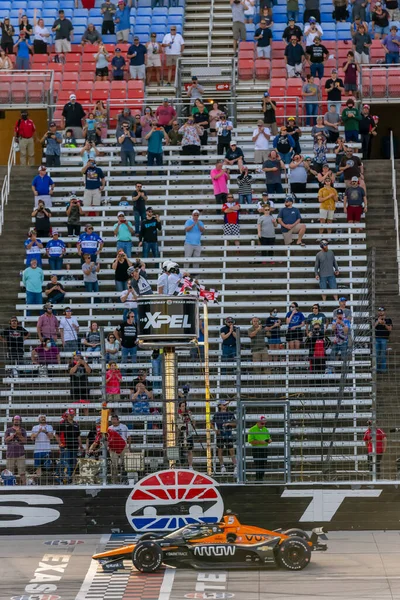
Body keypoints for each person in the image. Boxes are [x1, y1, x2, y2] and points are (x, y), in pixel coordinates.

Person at [55, 408, 84, 482]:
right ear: (67, 415)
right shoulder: (63, 423)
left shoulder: (76, 424)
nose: (72, 416)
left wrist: (80, 445)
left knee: (73, 463)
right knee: (66, 463)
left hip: (74, 446)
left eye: (73, 414)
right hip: (66, 446)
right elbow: (57, 435)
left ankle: (69, 478)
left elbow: (78, 436)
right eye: (71, 414)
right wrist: (60, 444)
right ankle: (65, 478)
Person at [212, 402, 237, 474]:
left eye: (226, 405)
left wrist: (229, 424)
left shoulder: (230, 413)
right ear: (219, 406)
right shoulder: (216, 414)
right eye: (224, 405)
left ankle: (235, 465)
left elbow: (235, 423)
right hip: (220, 435)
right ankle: (222, 466)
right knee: (220, 450)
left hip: (228, 434)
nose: (225, 406)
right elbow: (212, 423)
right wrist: (215, 430)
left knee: (231, 450)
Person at [248, 416, 271, 482]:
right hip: (257, 449)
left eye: (264, 423)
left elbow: (268, 437)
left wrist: (269, 440)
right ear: (258, 422)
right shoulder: (252, 429)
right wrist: (260, 442)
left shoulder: (265, 429)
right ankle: (258, 478)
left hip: (264, 449)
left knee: (263, 463)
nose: (263, 424)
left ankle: (261, 478)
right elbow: (250, 441)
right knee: (258, 463)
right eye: (262, 423)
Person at [5, 415, 27, 485]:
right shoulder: (8, 430)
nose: (16, 421)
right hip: (10, 454)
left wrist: (19, 435)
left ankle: (24, 487)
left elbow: (25, 441)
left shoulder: (23, 430)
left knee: (22, 472)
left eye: (18, 419)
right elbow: (6, 441)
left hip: (20, 454)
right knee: (9, 472)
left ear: (20, 421)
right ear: (13, 421)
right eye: (15, 419)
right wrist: (14, 435)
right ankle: (9, 486)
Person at [108, 414, 131, 482]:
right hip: (113, 448)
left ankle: (125, 479)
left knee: (126, 463)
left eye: (115, 419)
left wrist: (129, 446)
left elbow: (129, 436)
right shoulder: (109, 428)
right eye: (112, 420)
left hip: (123, 446)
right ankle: (114, 480)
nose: (113, 421)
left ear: (118, 420)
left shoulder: (124, 427)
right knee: (114, 464)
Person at [184, 209, 205, 274]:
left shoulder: (200, 222)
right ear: (192, 215)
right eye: (194, 215)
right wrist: (193, 224)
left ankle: (195, 272)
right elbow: (187, 229)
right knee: (187, 258)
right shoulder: (188, 221)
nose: (196, 216)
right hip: (189, 243)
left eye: (197, 215)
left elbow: (202, 230)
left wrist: (197, 223)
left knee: (196, 259)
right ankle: (185, 272)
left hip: (197, 243)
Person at [375, 306, 393, 373]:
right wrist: (378, 322)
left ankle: (382, 370)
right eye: (379, 311)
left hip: (384, 339)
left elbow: (390, 329)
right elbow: (372, 327)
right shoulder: (375, 319)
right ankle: (376, 369)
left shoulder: (388, 320)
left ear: (384, 312)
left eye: (382, 311)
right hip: (376, 338)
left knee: (382, 354)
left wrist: (384, 323)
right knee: (376, 354)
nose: (381, 312)